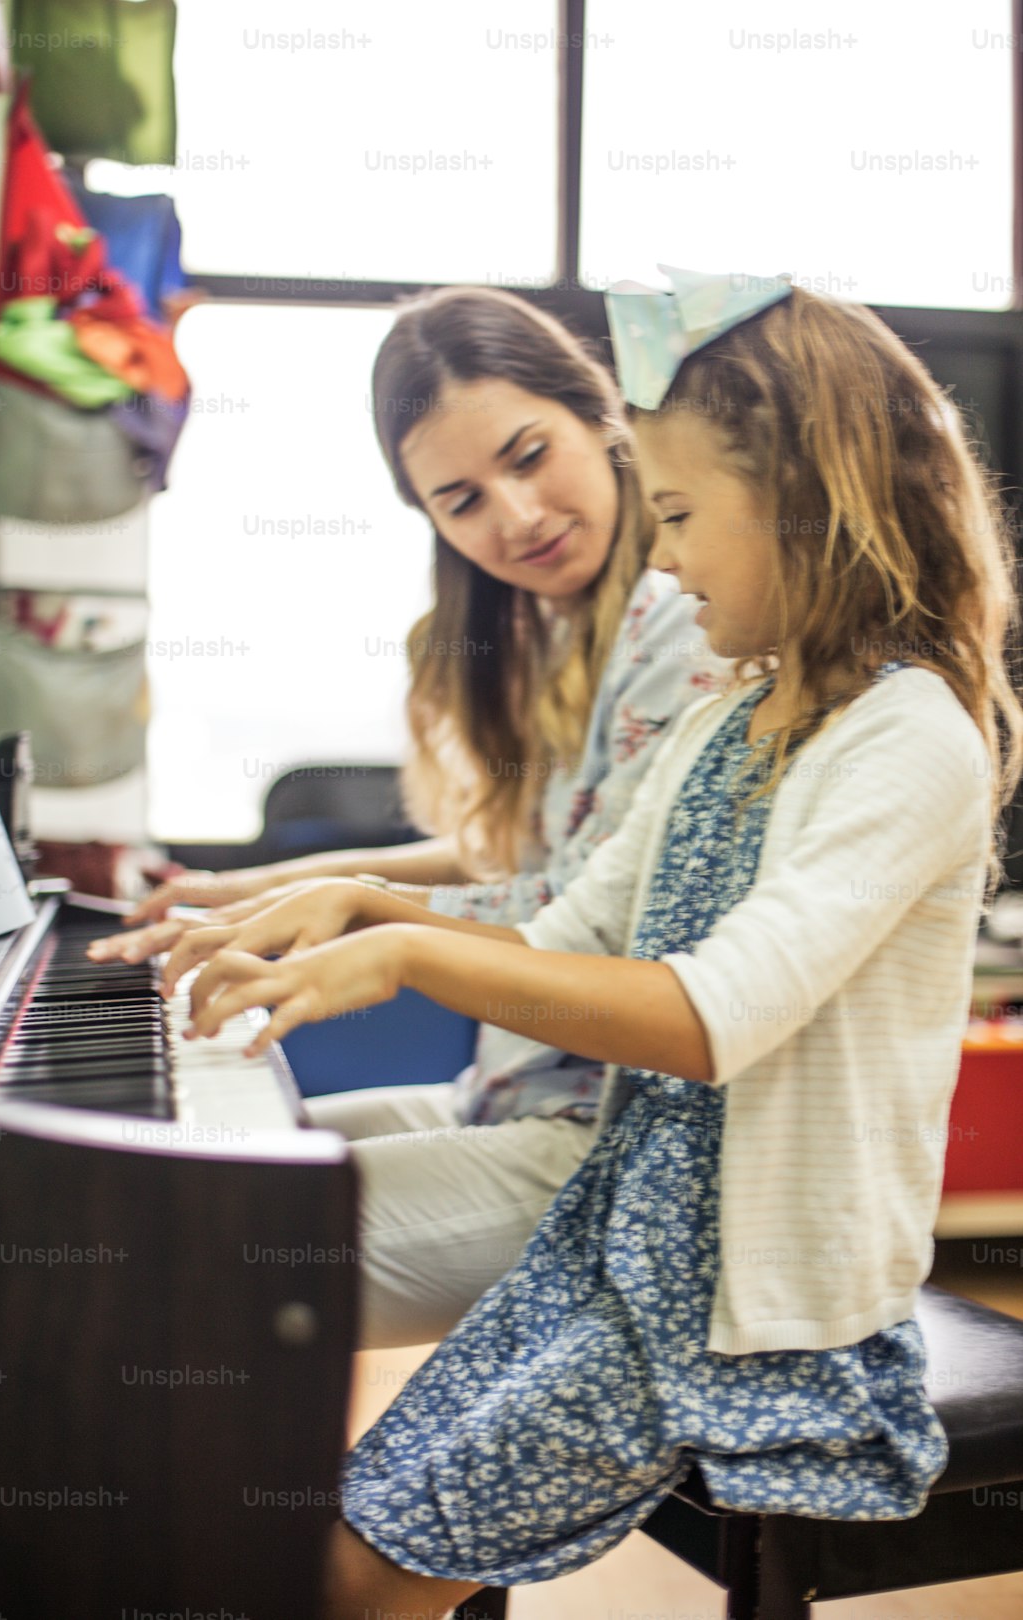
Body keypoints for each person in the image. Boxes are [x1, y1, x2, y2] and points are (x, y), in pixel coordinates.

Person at [162, 270, 1023, 1620]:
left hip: (749, 1301)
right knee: (333, 1523)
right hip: (619, 1236)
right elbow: (564, 928)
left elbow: (711, 1015)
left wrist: (405, 953)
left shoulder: (909, 737)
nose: (660, 560)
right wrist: (354, 912)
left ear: (806, 495)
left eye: (677, 514)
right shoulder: (725, 723)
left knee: (331, 1573)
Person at [88, 285, 726, 1345]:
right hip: (512, 1088)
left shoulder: (685, 619)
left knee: (185, 1251)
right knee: (165, 1178)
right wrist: (256, 888)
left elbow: (585, 918)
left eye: (529, 456)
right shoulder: (556, 630)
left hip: (616, 1130)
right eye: (462, 498)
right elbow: (527, 853)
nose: (515, 517)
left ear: (602, 416)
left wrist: (360, 910)